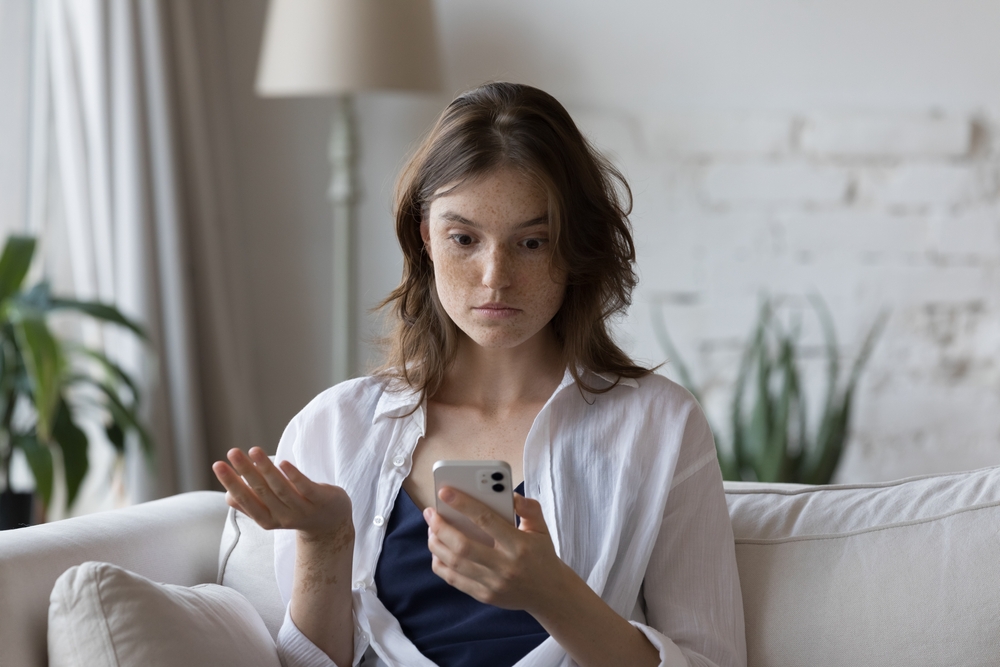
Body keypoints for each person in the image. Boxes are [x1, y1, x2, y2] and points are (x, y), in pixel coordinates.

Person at [213, 82, 746, 667]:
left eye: (533, 241)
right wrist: (327, 540)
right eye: (464, 238)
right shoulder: (336, 426)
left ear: (574, 247)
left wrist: (552, 594)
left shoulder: (659, 426)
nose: (496, 276)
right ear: (426, 237)